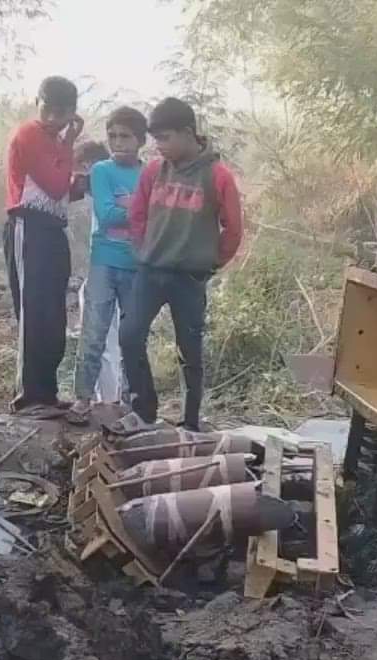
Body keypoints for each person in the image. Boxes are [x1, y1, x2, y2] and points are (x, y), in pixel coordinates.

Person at [117, 98, 243, 433]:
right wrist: (142, 249)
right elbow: (138, 214)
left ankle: (190, 420)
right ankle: (144, 411)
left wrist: (213, 262)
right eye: (155, 139)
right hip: (151, 271)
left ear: (189, 133)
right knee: (129, 335)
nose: (159, 146)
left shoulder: (217, 176)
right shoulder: (154, 171)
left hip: (189, 277)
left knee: (189, 349)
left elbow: (233, 227)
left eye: (165, 138)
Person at [3, 76, 85, 419]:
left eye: (62, 113)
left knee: (53, 312)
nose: (53, 118)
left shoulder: (53, 138)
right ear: (38, 102)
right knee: (34, 311)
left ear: (72, 112)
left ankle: (47, 393)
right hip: (29, 227)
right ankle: (29, 396)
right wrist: (69, 146)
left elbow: (63, 190)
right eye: (48, 110)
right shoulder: (31, 135)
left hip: (52, 228)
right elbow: (53, 186)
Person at [70, 112, 146, 421]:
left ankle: (132, 399)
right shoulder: (101, 170)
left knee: (133, 335)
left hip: (137, 263)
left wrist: (128, 210)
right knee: (93, 332)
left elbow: (154, 217)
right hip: (103, 262)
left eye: (125, 136)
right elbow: (106, 213)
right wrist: (141, 210)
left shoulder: (151, 173)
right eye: (112, 136)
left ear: (141, 140)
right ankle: (83, 398)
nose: (117, 142)